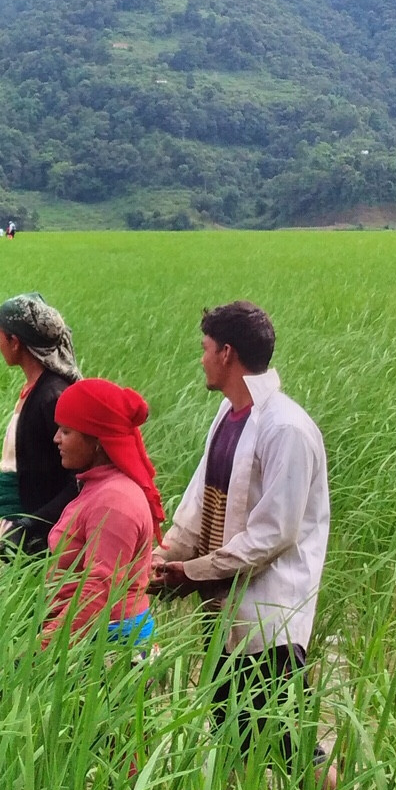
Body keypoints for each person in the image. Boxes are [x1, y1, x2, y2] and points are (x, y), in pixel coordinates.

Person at [153, 301, 330, 763]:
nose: (202, 358)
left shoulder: (286, 428)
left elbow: (273, 535)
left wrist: (191, 573)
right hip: (224, 609)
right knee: (235, 736)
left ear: (227, 353)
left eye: (206, 348)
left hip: (267, 619)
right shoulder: (231, 416)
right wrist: (168, 555)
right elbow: (199, 501)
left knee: (286, 747)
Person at [40, 378, 162, 649]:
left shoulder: (114, 502)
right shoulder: (100, 486)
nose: (56, 438)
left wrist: (42, 649)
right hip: (91, 633)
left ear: (96, 441)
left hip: (107, 643)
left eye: (66, 431)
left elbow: (97, 591)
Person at [0, 292, 82, 558]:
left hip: (38, 532)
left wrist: (32, 525)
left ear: (14, 342)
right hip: (22, 522)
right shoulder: (37, 389)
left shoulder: (52, 397)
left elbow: (77, 477)